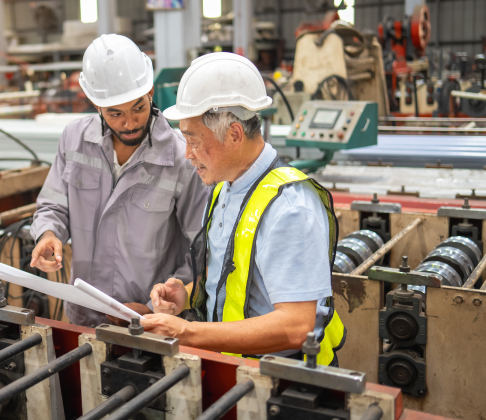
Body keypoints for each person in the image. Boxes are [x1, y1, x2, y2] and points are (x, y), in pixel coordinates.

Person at [144, 52, 346, 366]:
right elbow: (231, 278)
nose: (187, 154)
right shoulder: (224, 186)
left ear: (235, 134)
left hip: (284, 380)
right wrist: (184, 294)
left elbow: (297, 325)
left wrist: (189, 332)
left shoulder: (289, 208)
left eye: (194, 141)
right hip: (236, 368)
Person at [29, 34, 207, 328]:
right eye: (116, 114)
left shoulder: (180, 158)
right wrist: (48, 233)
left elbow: (199, 249)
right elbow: (53, 204)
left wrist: (157, 305)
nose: (130, 122)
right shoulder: (74, 140)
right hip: (83, 314)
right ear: (96, 104)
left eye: (138, 107)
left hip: (150, 321)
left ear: (149, 91)